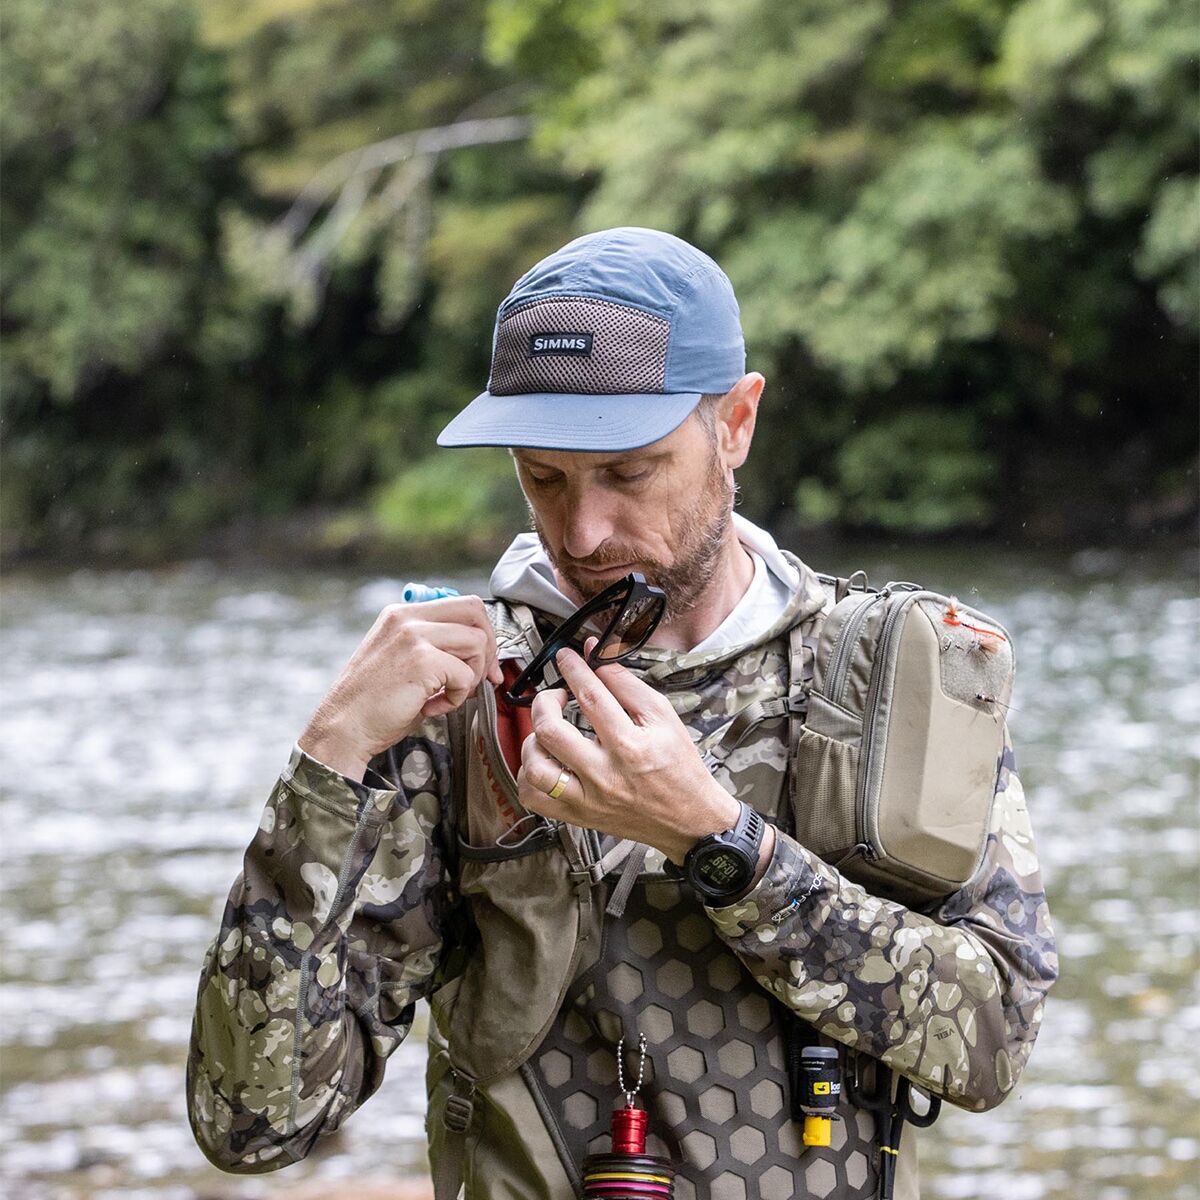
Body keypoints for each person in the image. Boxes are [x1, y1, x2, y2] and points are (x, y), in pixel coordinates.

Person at [187, 227, 1058, 1200]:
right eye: (543, 479)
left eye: (629, 473)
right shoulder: (454, 697)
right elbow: (251, 1120)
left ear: (734, 423)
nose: (583, 532)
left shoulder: (893, 681)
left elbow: (992, 1042)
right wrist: (329, 755)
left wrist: (718, 842)